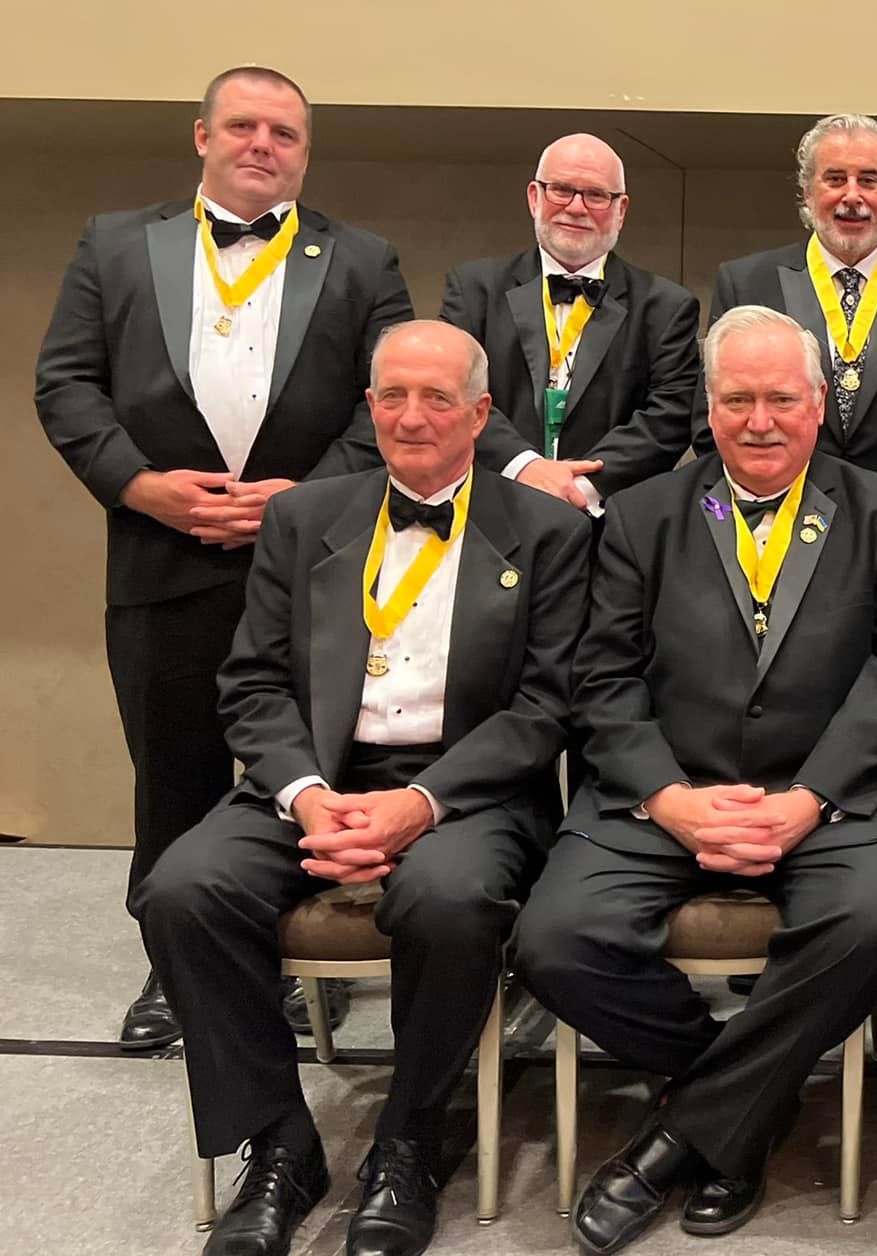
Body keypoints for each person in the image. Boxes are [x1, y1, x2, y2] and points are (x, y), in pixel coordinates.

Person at [130, 320, 589, 1256]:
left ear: (481, 413)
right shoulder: (306, 518)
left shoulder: (546, 529)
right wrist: (305, 794)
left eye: (436, 398)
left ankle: (410, 1138)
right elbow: (251, 683)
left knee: (449, 898)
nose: (411, 418)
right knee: (181, 890)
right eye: (392, 396)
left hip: (472, 788)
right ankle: (279, 1142)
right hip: (316, 779)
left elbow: (549, 706)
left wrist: (418, 805)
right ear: (369, 405)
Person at [513, 305, 877, 1252]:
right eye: (737, 399)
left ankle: (678, 1136)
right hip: (664, 791)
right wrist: (669, 799)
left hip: (830, 800)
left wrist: (805, 800)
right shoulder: (640, 515)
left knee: (872, 928)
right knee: (552, 942)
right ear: (707, 407)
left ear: (818, 404)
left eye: (780, 398)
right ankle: (747, 1101)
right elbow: (602, 677)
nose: (759, 420)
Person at [34, 64, 413, 1049]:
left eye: (285, 132)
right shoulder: (117, 245)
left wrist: (308, 497)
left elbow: (391, 404)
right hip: (163, 556)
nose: (263, 144)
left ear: (304, 150)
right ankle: (175, 968)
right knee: (174, 771)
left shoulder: (364, 260)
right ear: (201, 137)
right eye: (243, 125)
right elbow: (67, 385)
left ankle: (297, 960)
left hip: (310, 565)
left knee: (309, 770)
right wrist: (141, 484)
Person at [692, 113, 877, 527]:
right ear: (808, 192)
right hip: (776, 528)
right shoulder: (747, 283)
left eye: (869, 180)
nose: (852, 196)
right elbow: (716, 414)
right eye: (835, 178)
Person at [435, 132, 702, 515]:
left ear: (621, 210)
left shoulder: (666, 306)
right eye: (561, 190)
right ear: (534, 197)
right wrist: (525, 468)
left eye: (596, 195)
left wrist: (580, 487)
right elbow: (452, 394)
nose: (576, 208)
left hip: (608, 524)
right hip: (487, 510)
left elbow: (669, 418)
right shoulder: (474, 289)